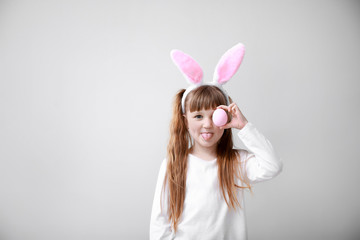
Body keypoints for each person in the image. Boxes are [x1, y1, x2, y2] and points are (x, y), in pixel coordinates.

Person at [149, 43, 283, 240]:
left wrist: (244, 126)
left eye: (215, 116)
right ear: (185, 121)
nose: (207, 125)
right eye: (198, 116)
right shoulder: (173, 164)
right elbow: (159, 222)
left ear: (226, 119)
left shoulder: (236, 161)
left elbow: (273, 166)